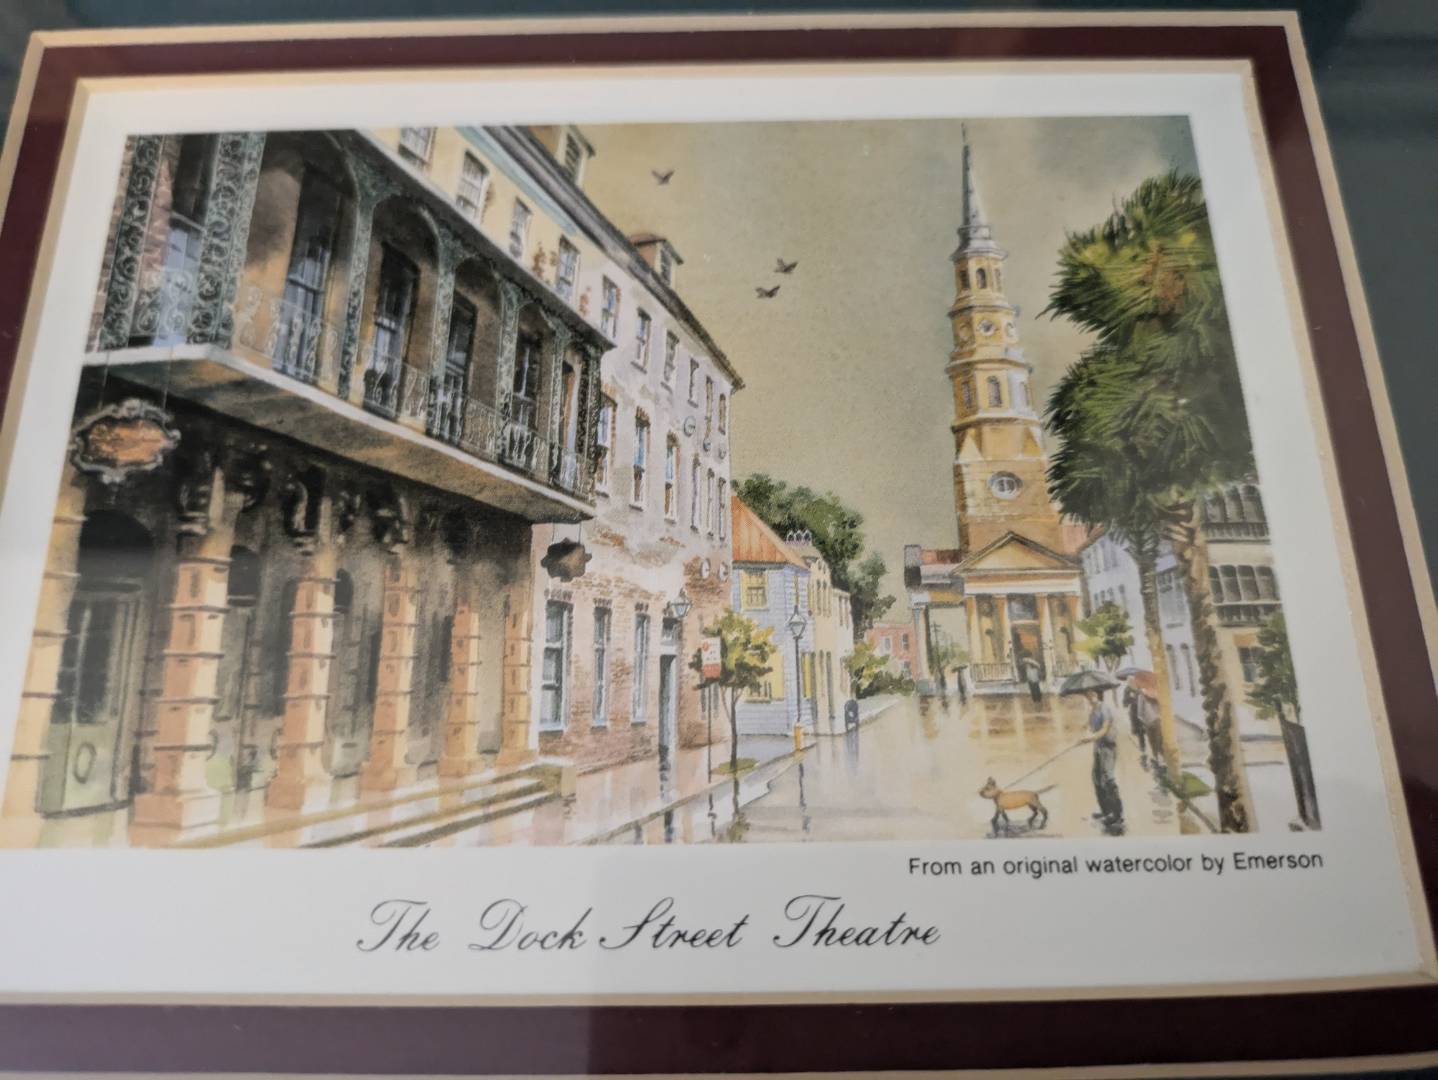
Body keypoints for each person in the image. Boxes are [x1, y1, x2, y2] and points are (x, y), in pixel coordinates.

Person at [1082, 687, 1124, 833]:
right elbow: (1089, 727)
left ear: (1097, 694)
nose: (1089, 697)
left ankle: (1117, 814)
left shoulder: (1105, 709)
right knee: (1097, 779)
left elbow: (1105, 729)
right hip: (1098, 748)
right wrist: (1084, 731)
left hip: (1107, 747)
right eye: (1087, 695)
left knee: (1108, 780)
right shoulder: (1093, 711)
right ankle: (1106, 811)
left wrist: (1091, 738)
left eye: (1092, 694)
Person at [1122, 682, 1149, 769]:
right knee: (1140, 733)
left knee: (1148, 732)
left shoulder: (1143, 686)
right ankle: (1144, 753)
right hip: (1135, 714)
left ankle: (1150, 753)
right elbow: (1125, 703)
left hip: (1146, 712)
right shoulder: (1127, 689)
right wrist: (1131, 699)